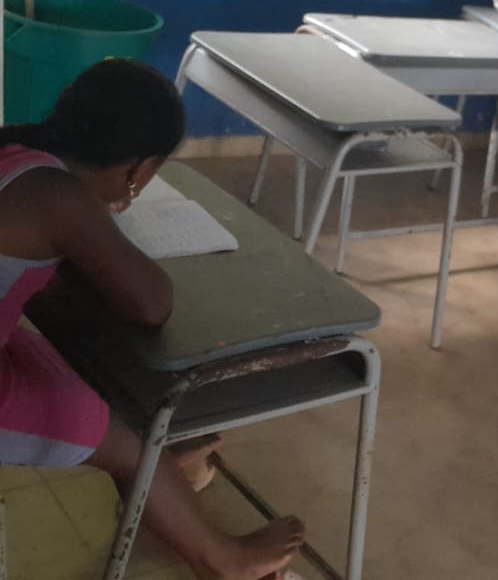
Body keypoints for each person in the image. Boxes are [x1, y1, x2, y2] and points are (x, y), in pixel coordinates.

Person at [0, 59, 305, 580]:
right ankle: (222, 560)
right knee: (124, 442)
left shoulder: (14, 152)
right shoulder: (57, 196)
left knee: (101, 395)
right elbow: (151, 302)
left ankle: (162, 470)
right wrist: (102, 223)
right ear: (139, 169)